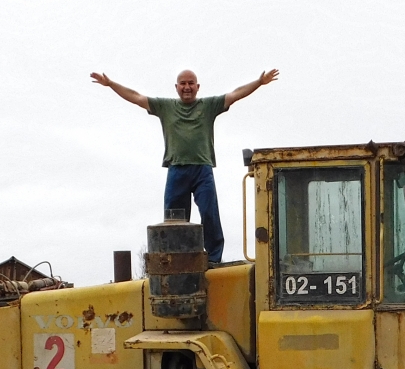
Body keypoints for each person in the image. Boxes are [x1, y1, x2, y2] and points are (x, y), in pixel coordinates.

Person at [90, 68, 279, 264]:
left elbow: (235, 94)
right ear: (176, 87)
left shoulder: (208, 106)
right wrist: (111, 84)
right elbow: (136, 97)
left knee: (209, 212)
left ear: (197, 87)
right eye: (183, 83)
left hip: (202, 169)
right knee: (174, 219)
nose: (187, 87)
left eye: (191, 83)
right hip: (176, 169)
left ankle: (214, 258)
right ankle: (177, 259)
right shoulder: (165, 107)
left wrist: (259, 82)